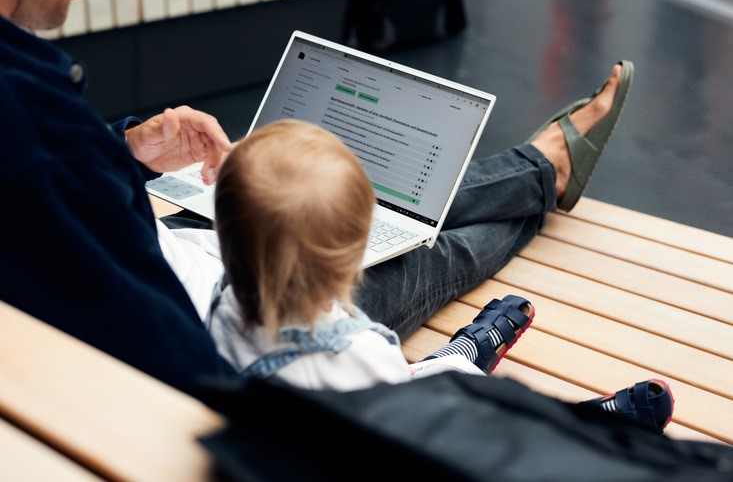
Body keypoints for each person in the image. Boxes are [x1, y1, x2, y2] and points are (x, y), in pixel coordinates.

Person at [0, 0, 641, 407]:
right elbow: (233, 398)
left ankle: (540, 172)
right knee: (421, 252)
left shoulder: (37, 132)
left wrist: (125, 151)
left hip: (204, 271)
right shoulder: (36, 136)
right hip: (248, 316)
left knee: (353, 211)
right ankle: (543, 173)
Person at [207, 119, 674, 433]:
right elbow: (416, 413)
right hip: (382, 440)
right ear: (354, 264)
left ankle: (539, 187)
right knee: (468, 410)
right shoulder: (360, 351)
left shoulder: (217, 309)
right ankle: (573, 427)